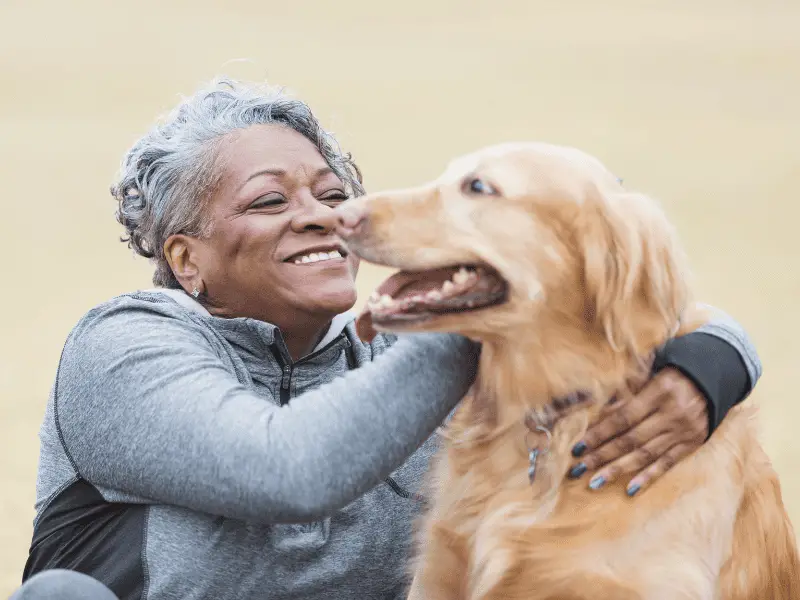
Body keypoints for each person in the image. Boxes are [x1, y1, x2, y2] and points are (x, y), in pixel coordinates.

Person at [15, 78, 761, 600]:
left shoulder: (403, 350)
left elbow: (615, 296)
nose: (327, 217)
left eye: (333, 194)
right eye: (271, 200)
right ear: (186, 259)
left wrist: (715, 359)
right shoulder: (124, 349)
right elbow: (287, 471)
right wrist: (483, 305)